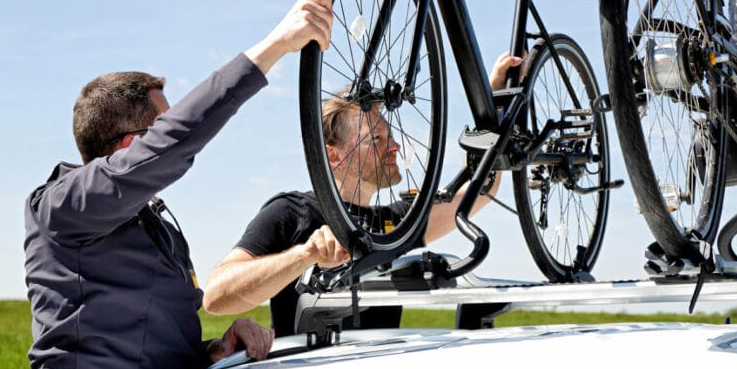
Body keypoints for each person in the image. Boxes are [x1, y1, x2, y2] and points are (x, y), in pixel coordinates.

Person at [23, 0, 333, 369]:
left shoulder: (157, 227)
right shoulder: (61, 205)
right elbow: (177, 138)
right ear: (133, 146)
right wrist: (277, 44)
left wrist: (215, 350)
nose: (170, 136)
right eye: (159, 129)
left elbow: (160, 351)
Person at [202, 53, 524, 337]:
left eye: (391, 136)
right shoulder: (293, 212)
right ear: (334, 155)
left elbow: (482, 188)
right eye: (377, 139)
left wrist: (491, 101)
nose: (395, 146)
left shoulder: (398, 224)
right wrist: (305, 255)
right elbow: (216, 296)